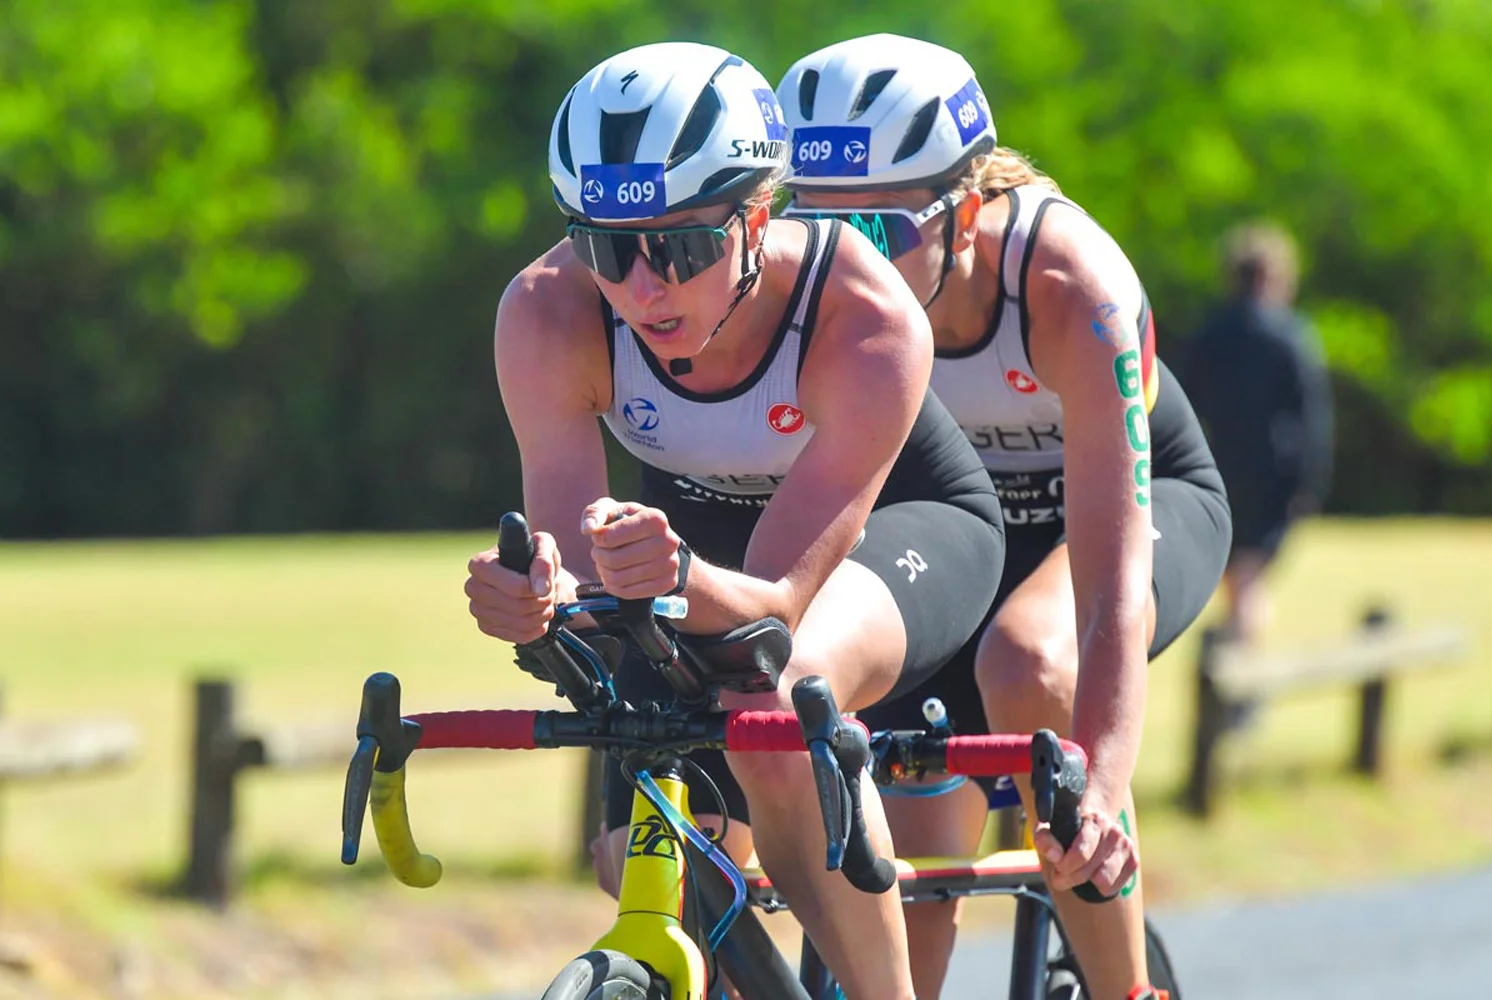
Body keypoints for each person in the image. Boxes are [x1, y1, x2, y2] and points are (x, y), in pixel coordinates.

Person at [463, 41, 1008, 1000]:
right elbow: (578, 570)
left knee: (777, 698)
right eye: (606, 247)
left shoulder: (864, 315)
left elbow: (778, 600)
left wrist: (671, 578)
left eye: (678, 247)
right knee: (635, 852)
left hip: (899, 527)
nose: (640, 287)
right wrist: (534, 597)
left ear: (758, 217)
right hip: (688, 551)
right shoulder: (546, 314)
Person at [776, 34, 1232, 1000]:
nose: (847, 260)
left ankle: (1123, 989)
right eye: (817, 226)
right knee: (904, 858)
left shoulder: (1073, 288)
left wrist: (1100, 783)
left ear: (970, 211)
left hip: (1117, 515)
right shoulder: (808, 294)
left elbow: (1111, 591)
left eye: (882, 230)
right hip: (951, 532)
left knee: (1029, 661)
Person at [1180, 222, 1333, 646]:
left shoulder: (1210, 334)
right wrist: (1309, 485)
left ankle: (1235, 669)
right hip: (1272, 477)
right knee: (1249, 580)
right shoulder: (1291, 336)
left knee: (1239, 576)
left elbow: (1184, 406)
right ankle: (1243, 679)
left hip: (1219, 467)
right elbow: (1312, 421)